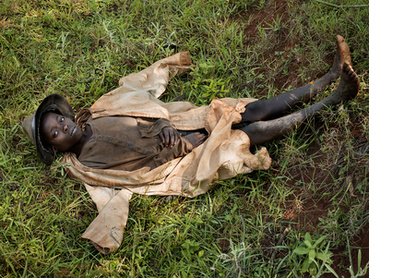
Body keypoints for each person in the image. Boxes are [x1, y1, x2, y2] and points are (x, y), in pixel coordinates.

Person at [22, 35, 359, 254]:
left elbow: (138, 97)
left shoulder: (100, 111)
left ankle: (328, 79)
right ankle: (331, 101)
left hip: (182, 125)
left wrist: (166, 123)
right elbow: (121, 189)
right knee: (247, 135)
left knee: (246, 111)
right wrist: (105, 236)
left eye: (59, 120)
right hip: (183, 159)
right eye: (55, 133)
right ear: (56, 149)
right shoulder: (88, 167)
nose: (63, 126)